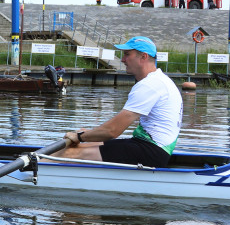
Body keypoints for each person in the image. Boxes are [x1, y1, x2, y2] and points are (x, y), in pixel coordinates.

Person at [52, 37, 181, 168]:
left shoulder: (151, 85)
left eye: (127, 54)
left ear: (143, 56)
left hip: (150, 153)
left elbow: (112, 131)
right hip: (148, 147)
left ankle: (34, 170)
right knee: (79, 146)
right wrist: (88, 135)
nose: (122, 60)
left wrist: (79, 136)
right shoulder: (160, 80)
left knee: (68, 152)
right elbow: (111, 129)